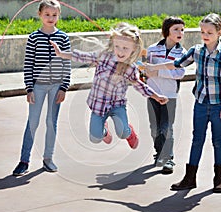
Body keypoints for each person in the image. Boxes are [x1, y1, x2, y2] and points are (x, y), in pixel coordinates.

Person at [145, 13, 221, 193]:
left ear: (219, 32)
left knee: (218, 141)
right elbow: (177, 65)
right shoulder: (196, 51)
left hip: (218, 105)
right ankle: (190, 178)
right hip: (200, 104)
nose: (205, 35)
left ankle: (219, 179)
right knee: (197, 140)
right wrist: (154, 67)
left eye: (209, 32)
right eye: (203, 32)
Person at [50, 22, 168, 150]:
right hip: (99, 105)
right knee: (95, 138)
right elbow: (82, 56)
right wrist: (61, 53)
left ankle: (129, 132)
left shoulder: (130, 68)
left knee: (122, 133)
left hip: (117, 105)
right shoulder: (103, 56)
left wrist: (156, 96)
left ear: (133, 49)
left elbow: (139, 85)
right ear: (113, 44)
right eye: (117, 46)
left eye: (125, 48)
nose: (121, 51)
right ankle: (104, 129)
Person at [13, 0, 71, 176]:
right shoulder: (34, 37)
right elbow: (28, 64)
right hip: (38, 86)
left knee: (51, 122)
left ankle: (48, 158)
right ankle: (24, 160)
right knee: (32, 122)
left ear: (58, 16)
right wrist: (29, 88)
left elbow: (66, 63)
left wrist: (64, 87)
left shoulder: (63, 37)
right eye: (47, 14)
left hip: (56, 86)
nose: (51, 18)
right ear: (40, 14)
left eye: (54, 15)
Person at [145, 17, 186, 174]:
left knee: (166, 127)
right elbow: (145, 68)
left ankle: (168, 158)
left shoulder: (182, 53)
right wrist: (144, 71)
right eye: (176, 29)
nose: (180, 32)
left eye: (182, 29)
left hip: (170, 96)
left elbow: (180, 73)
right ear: (167, 30)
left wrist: (158, 71)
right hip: (153, 95)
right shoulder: (152, 49)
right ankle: (159, 155)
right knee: (155, 127)